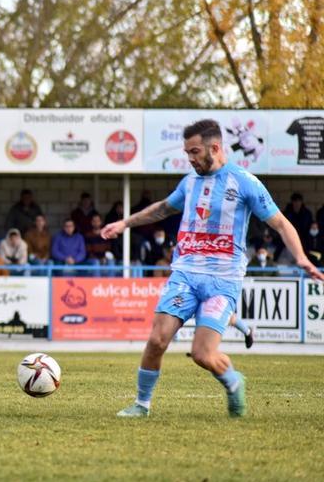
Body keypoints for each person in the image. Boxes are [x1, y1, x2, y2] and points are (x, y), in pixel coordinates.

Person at [101, 119, 324, 419]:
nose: (189, 158)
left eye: (194, 152)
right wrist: (124, 223)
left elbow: (281, 223)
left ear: (215, 148)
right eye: (187, 152)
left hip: (223, 280)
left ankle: (233, 381)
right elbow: (163, 208)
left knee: (203, 355)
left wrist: (300, 258)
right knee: (156, 340)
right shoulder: (189, 182)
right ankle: (142, 404)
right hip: (185, 274)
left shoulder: (244, 182)